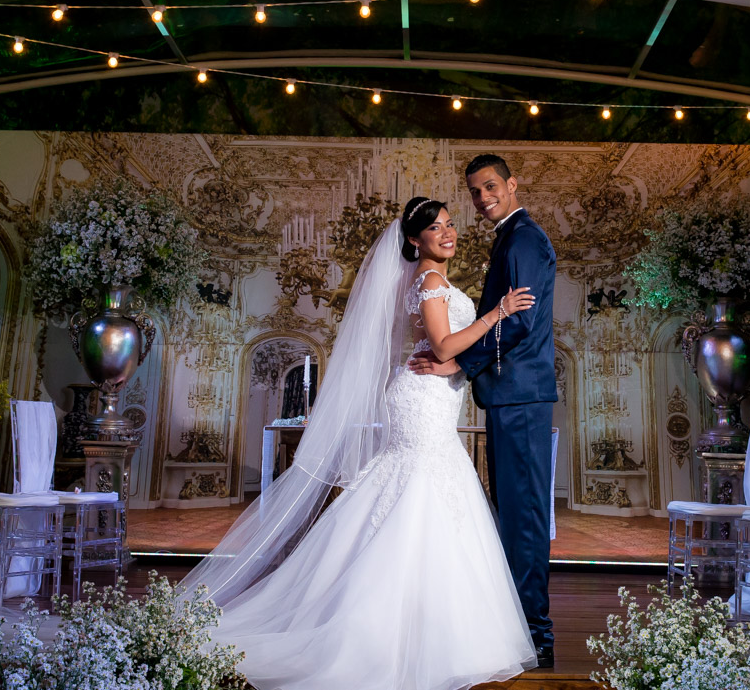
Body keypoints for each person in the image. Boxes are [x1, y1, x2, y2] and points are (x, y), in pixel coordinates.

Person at [184, 198, 538, 690]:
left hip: (430, 396)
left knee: (422, 491)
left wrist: (459, 354)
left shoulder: (423, 282)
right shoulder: (430, 282)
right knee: (419, 489)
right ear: (414, 240)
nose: (448, 232)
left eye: (451, 224)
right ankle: (388, 627)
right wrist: (496, 313)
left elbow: (434, 348)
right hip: (421, 400)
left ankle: (421, 619)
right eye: (435, 228)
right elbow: (442, 346)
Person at [411, 153, 558, 668]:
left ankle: (534, 634)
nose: (482, 198)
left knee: (523, 518)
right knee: (515, 514)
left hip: (520, 395)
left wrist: (459, 364)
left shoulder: (523, 239)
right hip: (511, 395)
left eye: (490, 186)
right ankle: (520, 625)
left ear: (512, 184)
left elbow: (521, 322)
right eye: (474, 191)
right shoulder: (512, 239)